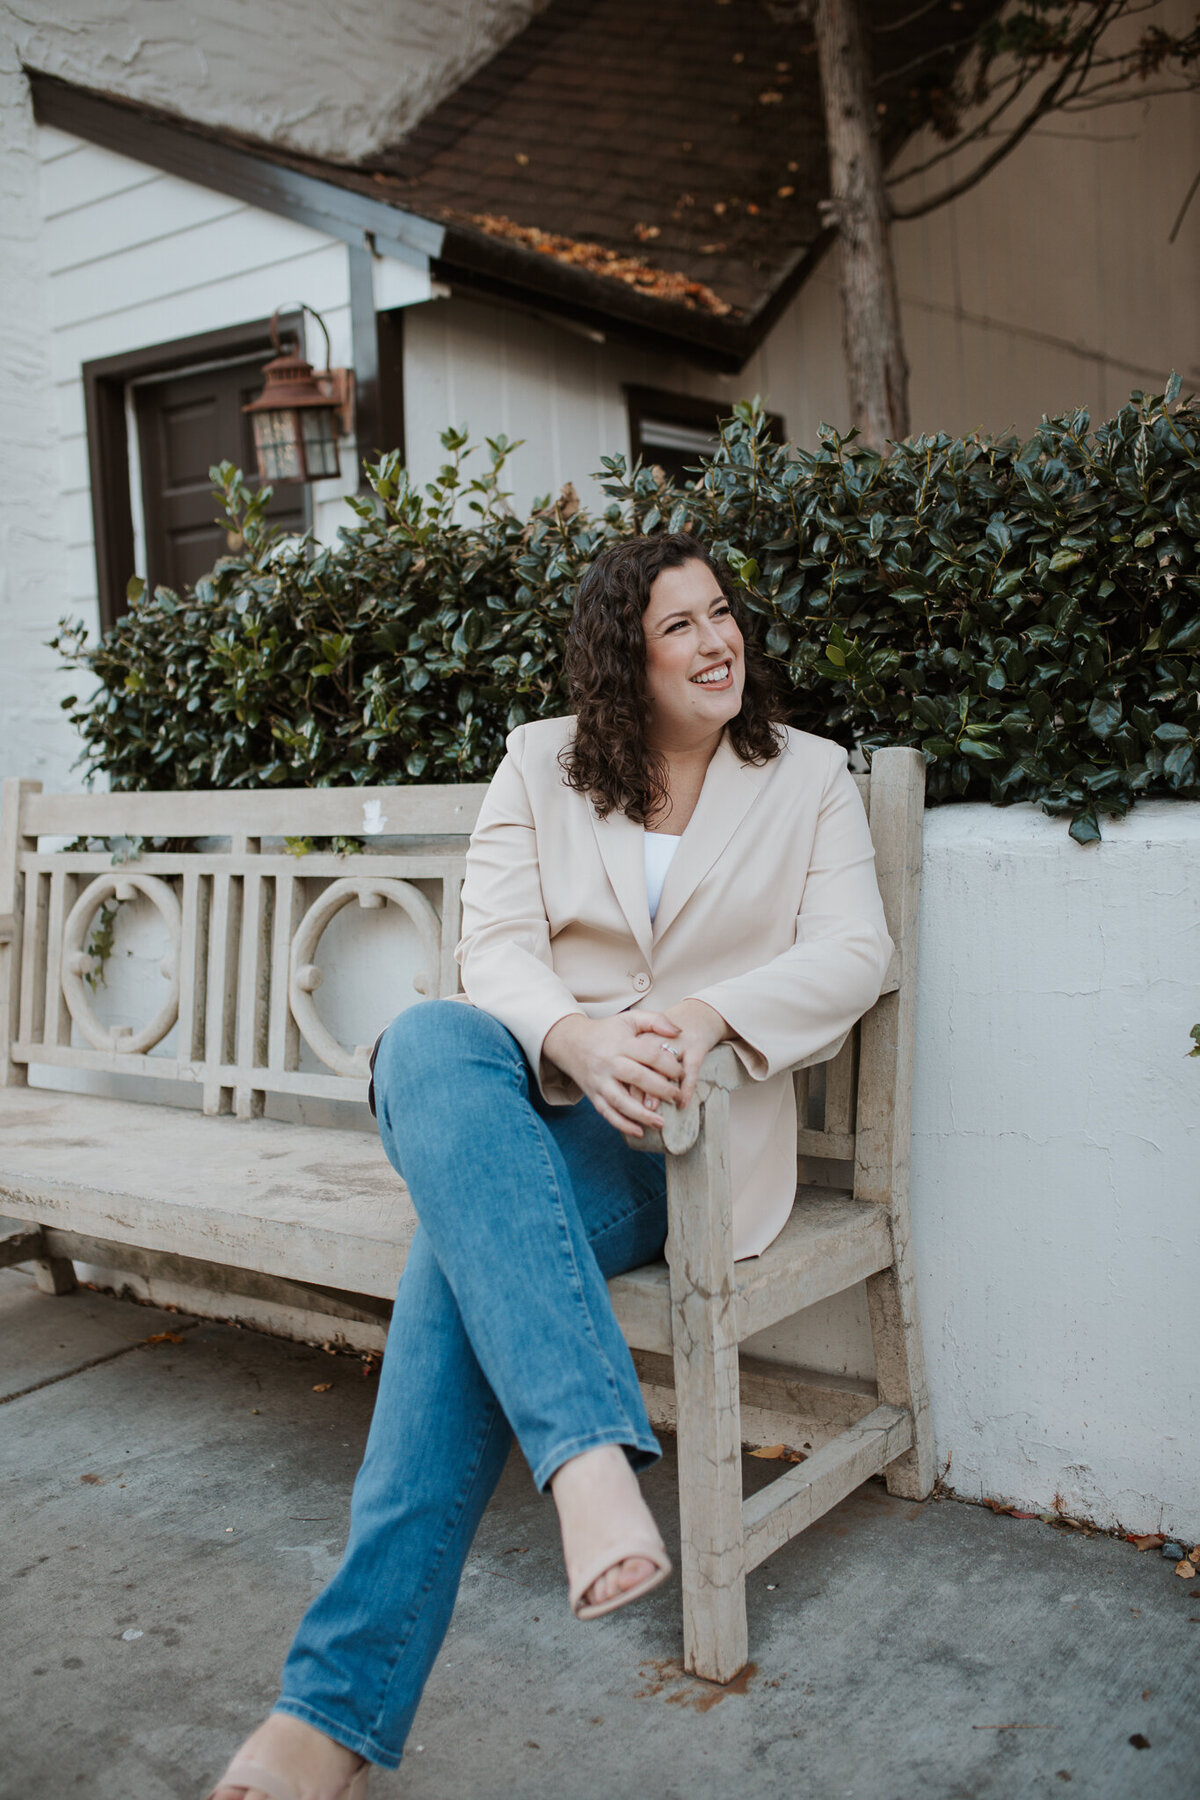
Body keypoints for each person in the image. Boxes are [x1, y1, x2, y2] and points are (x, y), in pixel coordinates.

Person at [207, 533, 893, 1800]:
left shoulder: (806, 777)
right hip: (537, 1096)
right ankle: (585, 1459)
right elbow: (498, 952)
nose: (716, 640)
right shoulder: (539, 764)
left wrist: (696, 1024)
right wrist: (576, 1035)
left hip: (676, 1145)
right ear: (621, 662)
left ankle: (333, 1714)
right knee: (424, 1037)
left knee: (460, 1257)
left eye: (722, 614)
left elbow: (855, 953)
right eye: (678, 626)